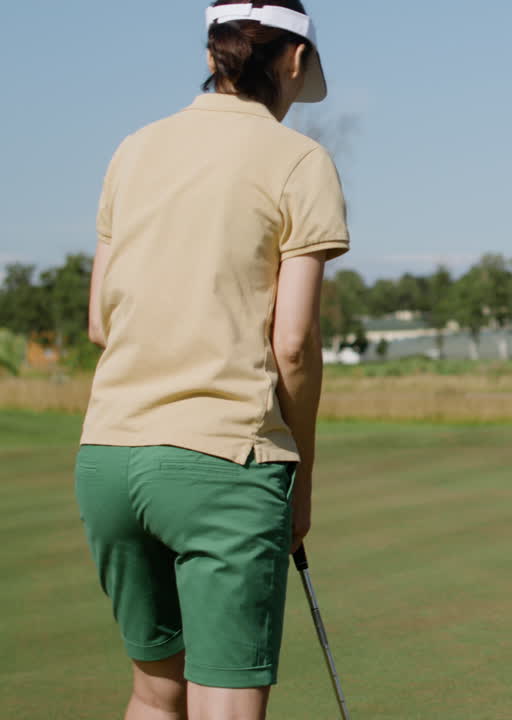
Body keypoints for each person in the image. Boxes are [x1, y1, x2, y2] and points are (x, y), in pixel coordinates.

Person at [76, 2, 348, 717]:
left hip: (107, 458)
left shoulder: (133, 149)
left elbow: (100, 321)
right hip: (225, 462)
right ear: (295, 60)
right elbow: (293, 344)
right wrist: (301, 477)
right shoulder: (301, 160)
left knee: (155, 694)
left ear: (211, 55)